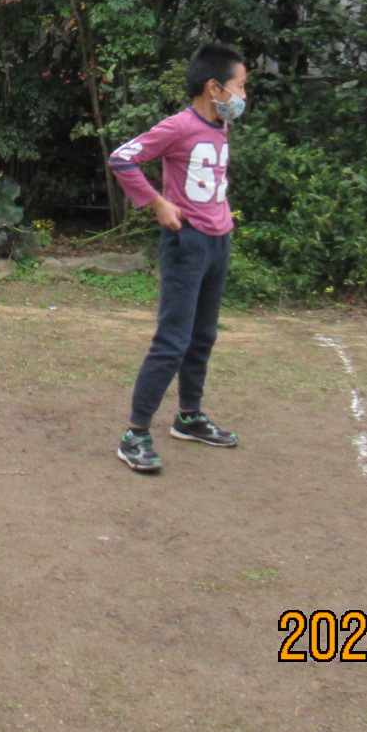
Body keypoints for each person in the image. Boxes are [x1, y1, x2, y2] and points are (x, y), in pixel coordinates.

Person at [107, 42, 248, 473]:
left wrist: (222, 217)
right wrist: (157, 203)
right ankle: (135, 433)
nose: (243, 96)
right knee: (173, 341)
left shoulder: (221, 125)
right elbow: (122, 159)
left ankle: (189, 417)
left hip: (217, 244)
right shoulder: (178, 126)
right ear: (214, 87)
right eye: (240, 86)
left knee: (203, 336)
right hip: (186, 246)